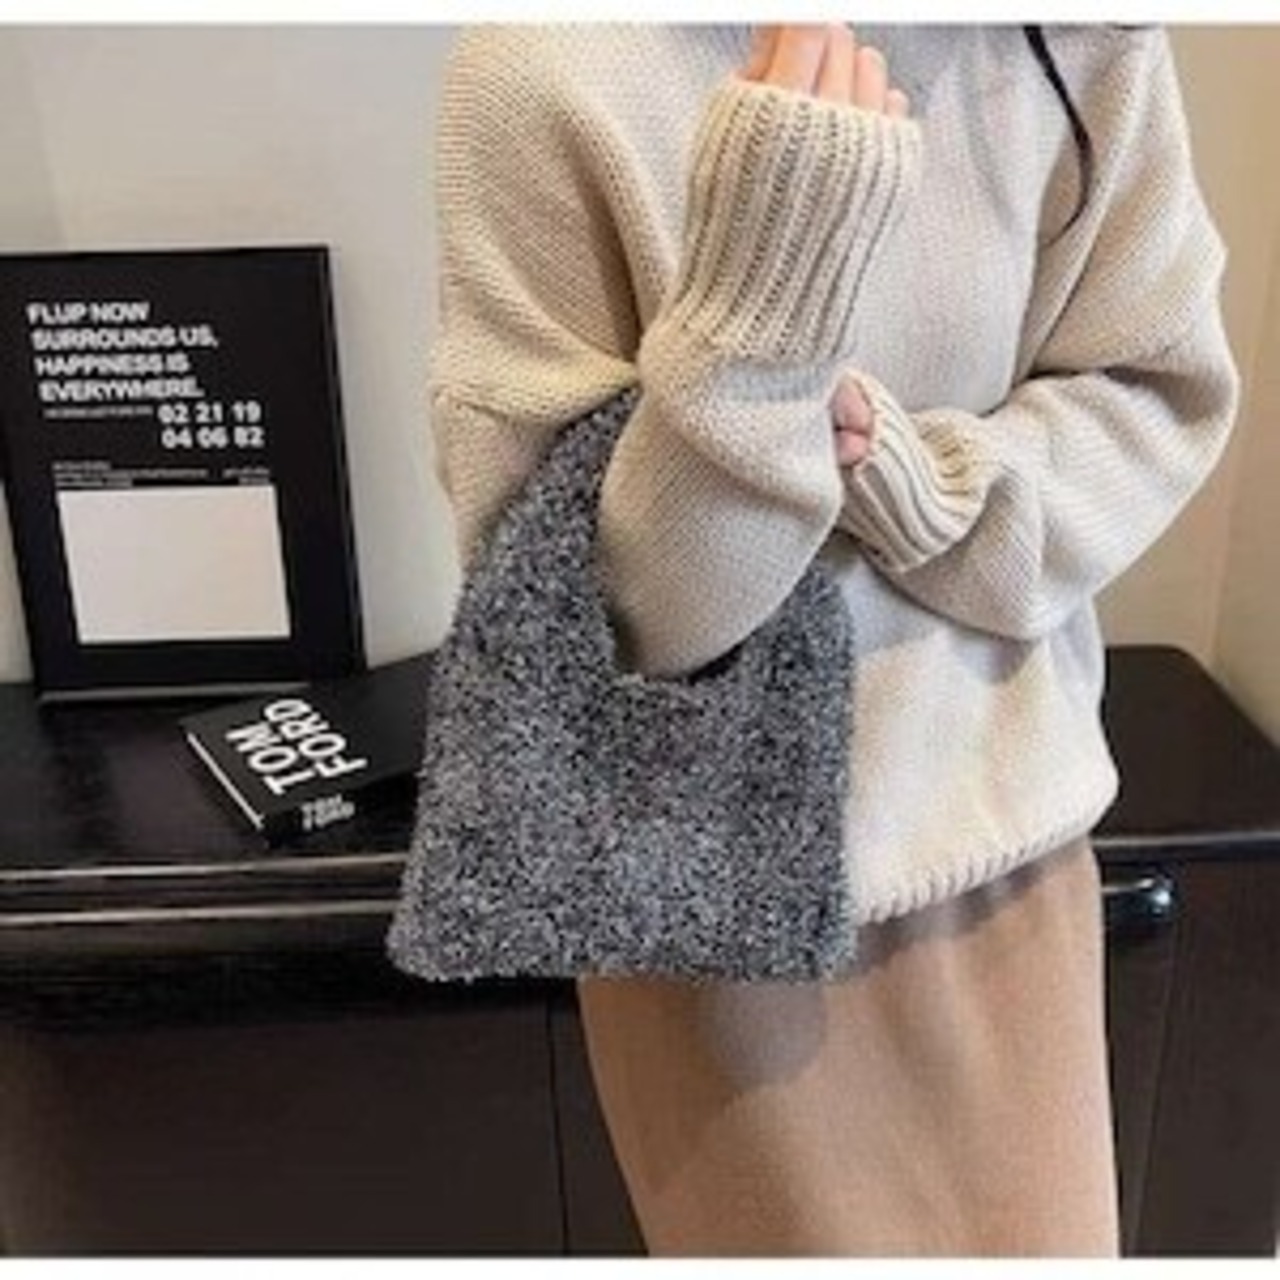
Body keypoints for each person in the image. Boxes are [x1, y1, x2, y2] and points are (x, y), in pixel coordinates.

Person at [424, 22, 1240, 1256]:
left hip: (1007, 856)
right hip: (711, 910)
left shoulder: (1066, 42)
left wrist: (927, 486)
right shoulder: (549, 67)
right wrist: (758, 325)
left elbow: (1152, 390)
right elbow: (585, 626)